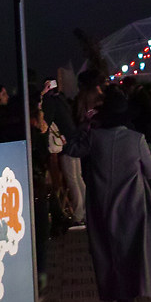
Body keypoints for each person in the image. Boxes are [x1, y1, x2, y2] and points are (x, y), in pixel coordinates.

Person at [67, 86, 151, 302]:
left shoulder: (94, 137)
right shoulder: (135, 138)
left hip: (101, 207)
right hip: (134, 206)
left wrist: (85, 125)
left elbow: (71, 149)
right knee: (134, 254)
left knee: (110, 256)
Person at [42, 72, 85, 226]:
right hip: (74, 139)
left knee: (71, 178)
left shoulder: (49, 101)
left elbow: (46, 121)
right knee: (78, 177)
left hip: (65, 143)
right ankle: (84, 211)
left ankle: (79, 214)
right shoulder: (61, 98)